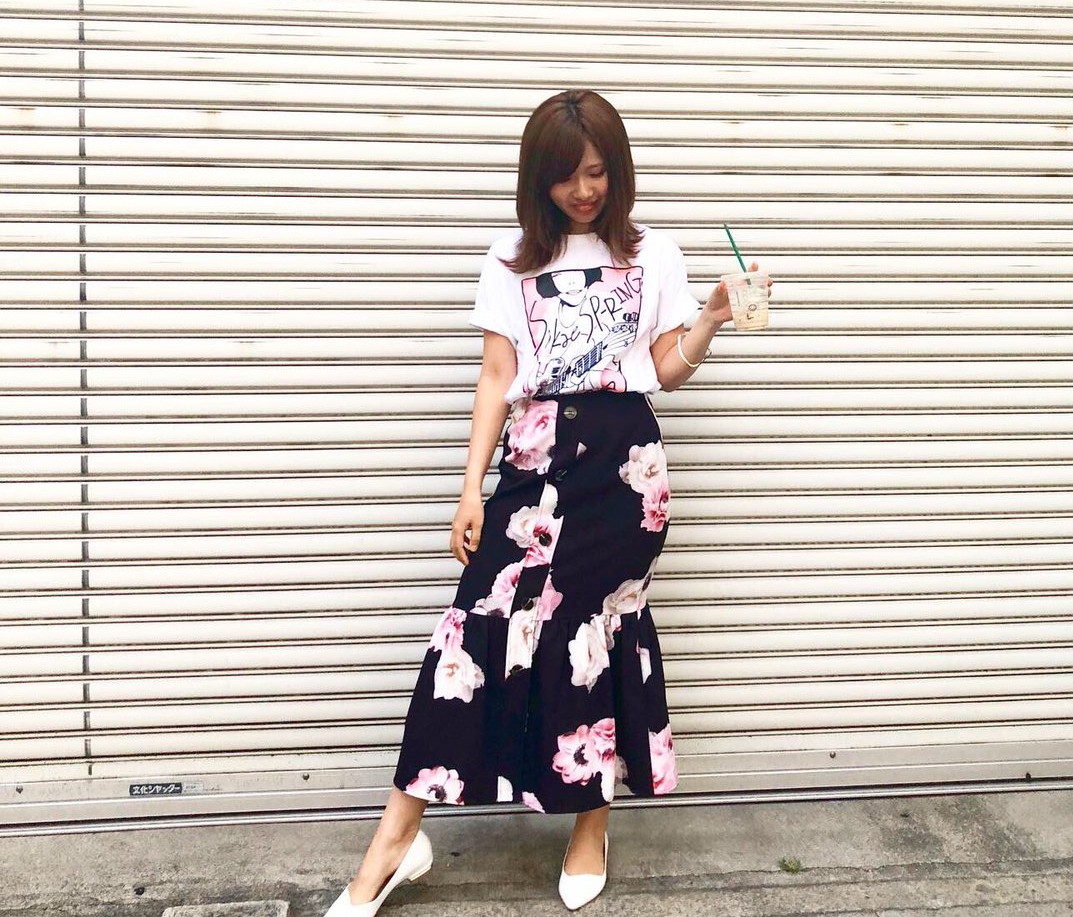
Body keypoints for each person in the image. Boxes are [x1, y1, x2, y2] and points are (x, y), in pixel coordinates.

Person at [322, 88, 772, 915]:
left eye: (597, 172)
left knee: (594, 634)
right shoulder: (510, 261)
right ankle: (396, 840)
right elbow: (497, 376)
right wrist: (471, 487)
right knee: (468, 635)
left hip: (623, 471)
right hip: (533, 463)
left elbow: (663, 371)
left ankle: (590, 827)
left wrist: (709, 318)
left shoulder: (654, 255)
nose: (585, 190)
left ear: (618, 170)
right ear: (539, 179)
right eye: (567, 176)